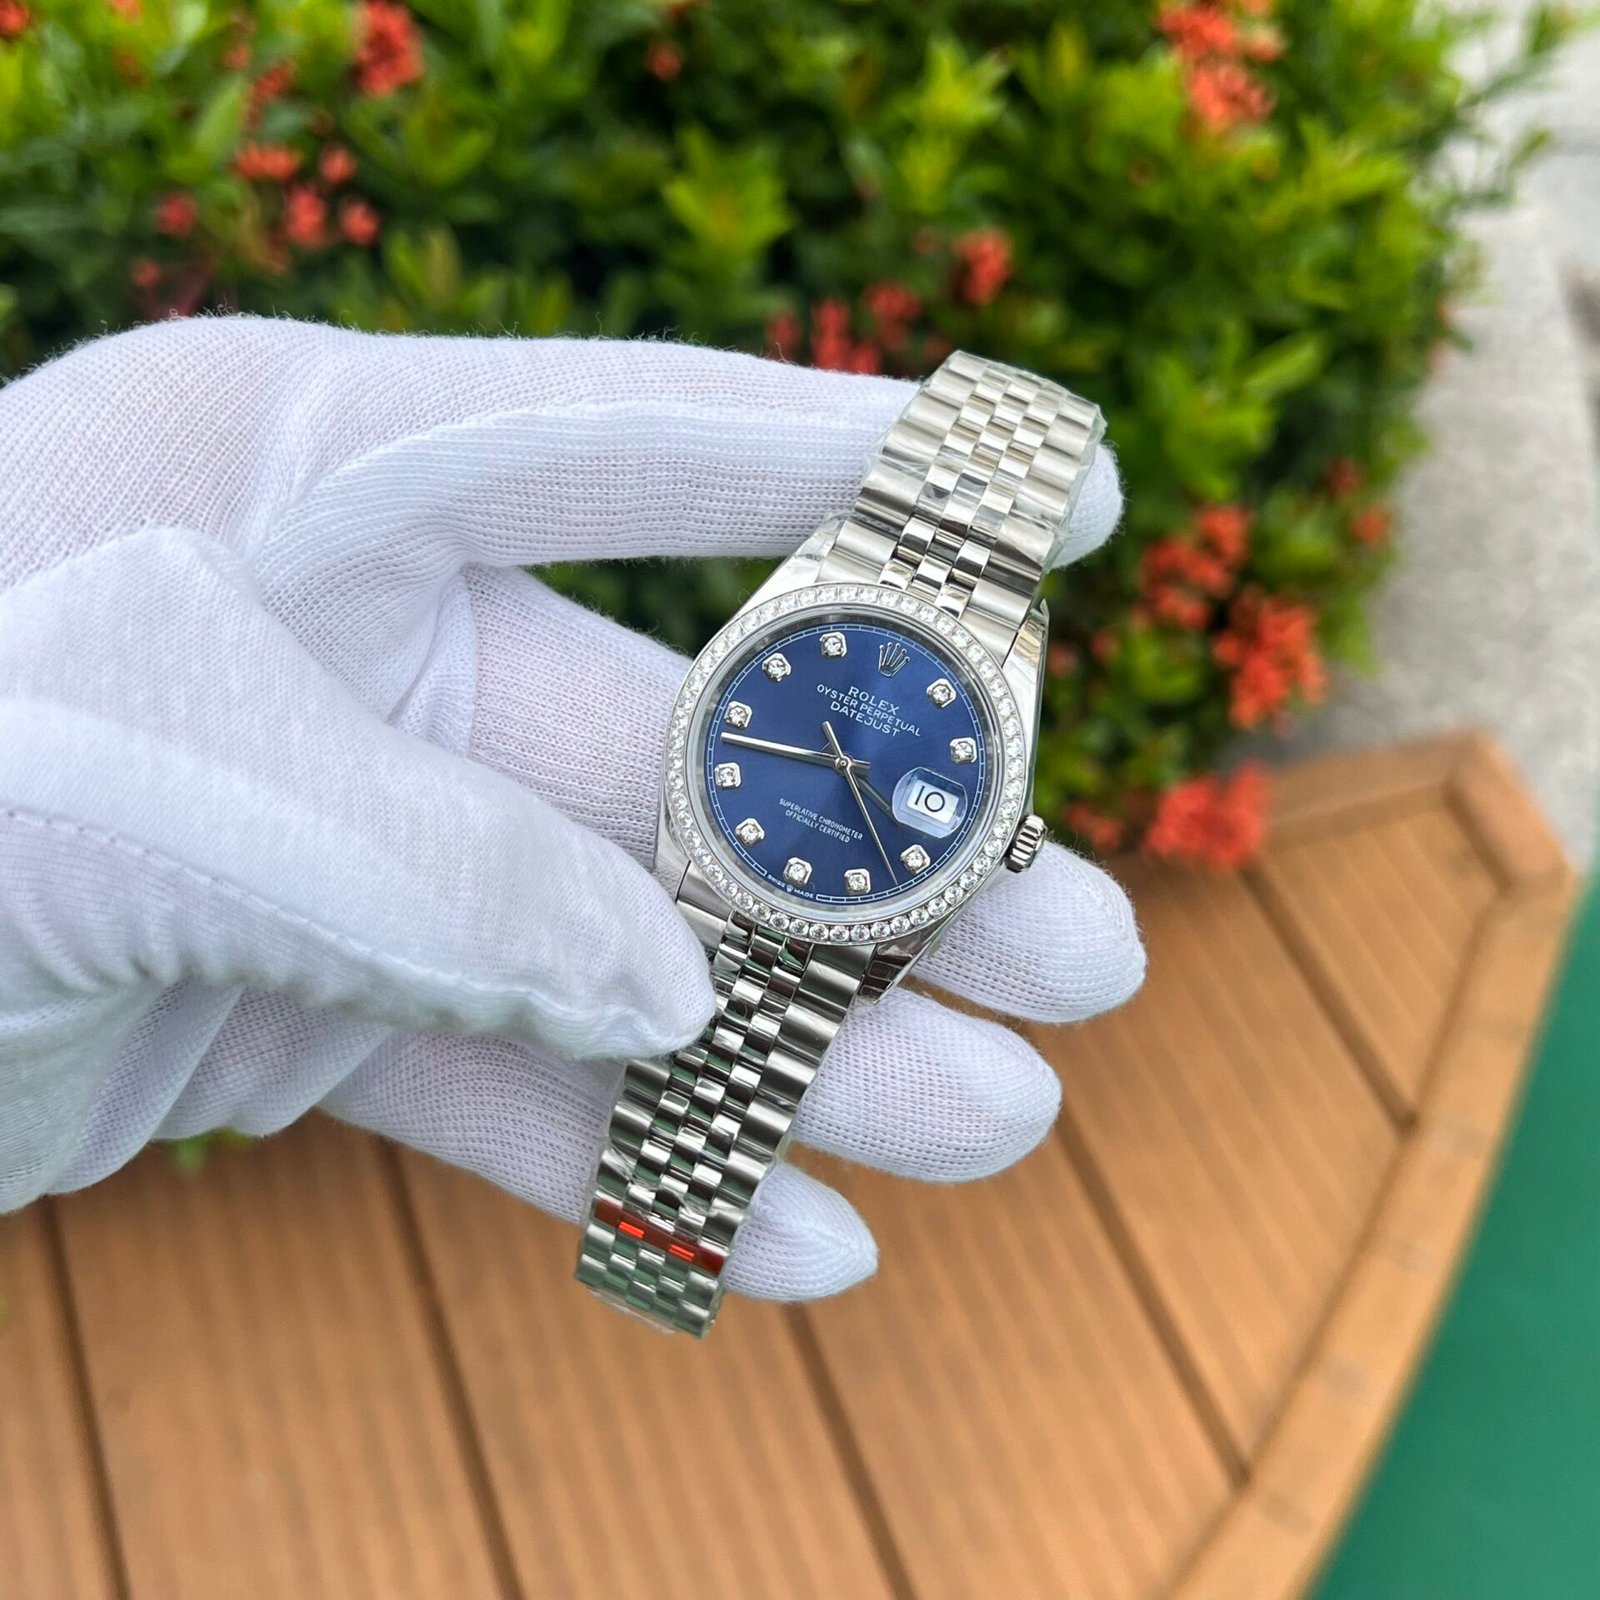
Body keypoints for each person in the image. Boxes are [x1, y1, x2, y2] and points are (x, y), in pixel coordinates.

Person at [0, 317, 1145, 1304]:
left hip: (800, 895)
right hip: (752, 861)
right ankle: (661, 1235)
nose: (844, 761)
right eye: (831, 744)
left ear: (998, 838)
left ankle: (660, 1240)